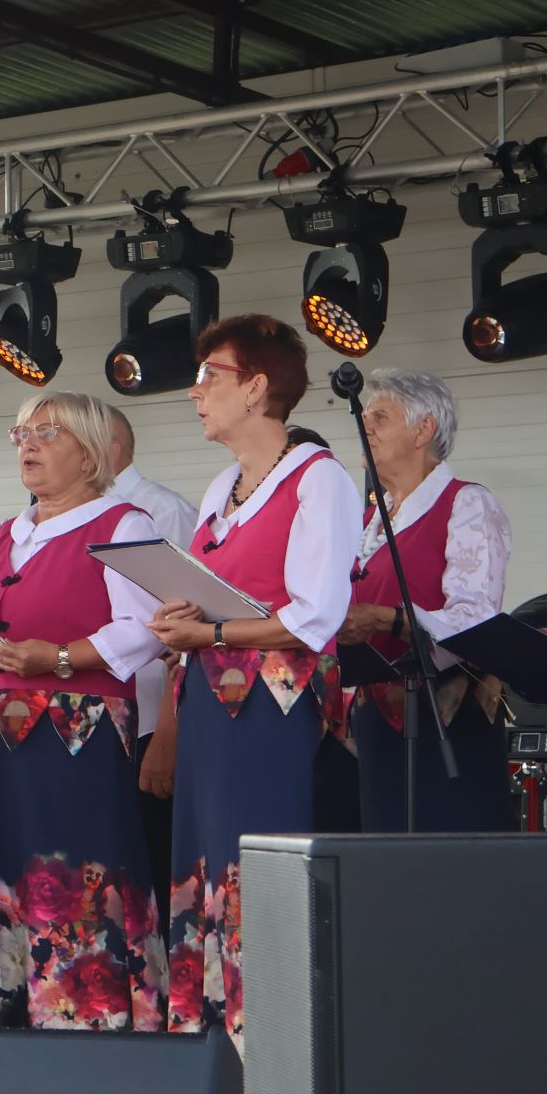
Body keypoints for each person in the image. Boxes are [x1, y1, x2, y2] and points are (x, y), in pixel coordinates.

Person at [0, 391, 168, 1031]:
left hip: (75, 738)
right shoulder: (9, 532)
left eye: (47, 433)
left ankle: (87, 1020)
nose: (28, 443)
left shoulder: (123, 524)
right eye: (21, 433)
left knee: (72, 873)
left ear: (91, 451)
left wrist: (56, 657)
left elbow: (149, 628)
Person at [145, 314, 361, 1043]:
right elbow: (219, 590)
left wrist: (206, 630)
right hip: (209, 700)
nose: (194, 391)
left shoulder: (320, 478)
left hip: (271, 705)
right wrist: (185, 609)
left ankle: (263, 1033)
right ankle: (207, 1026)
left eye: (212, 375)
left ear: (257, 388)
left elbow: (315, 616)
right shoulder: (222, 486)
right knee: (204, 856)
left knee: (251, 856)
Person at [336, 369, 514, 832]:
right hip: (379, 720)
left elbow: (475, 619)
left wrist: (387, 618)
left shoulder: (466, 503)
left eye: (380, 416)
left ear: (424, 429)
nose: (365, 425)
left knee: (447, 864)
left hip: (447, 720)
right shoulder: (371, 519)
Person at [105, 407, 200, 936]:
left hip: (147, 722)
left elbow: (183, 633)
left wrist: (166, 733)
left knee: (151, 870)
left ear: (109, 448)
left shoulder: (161, 512)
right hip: (98, 722)